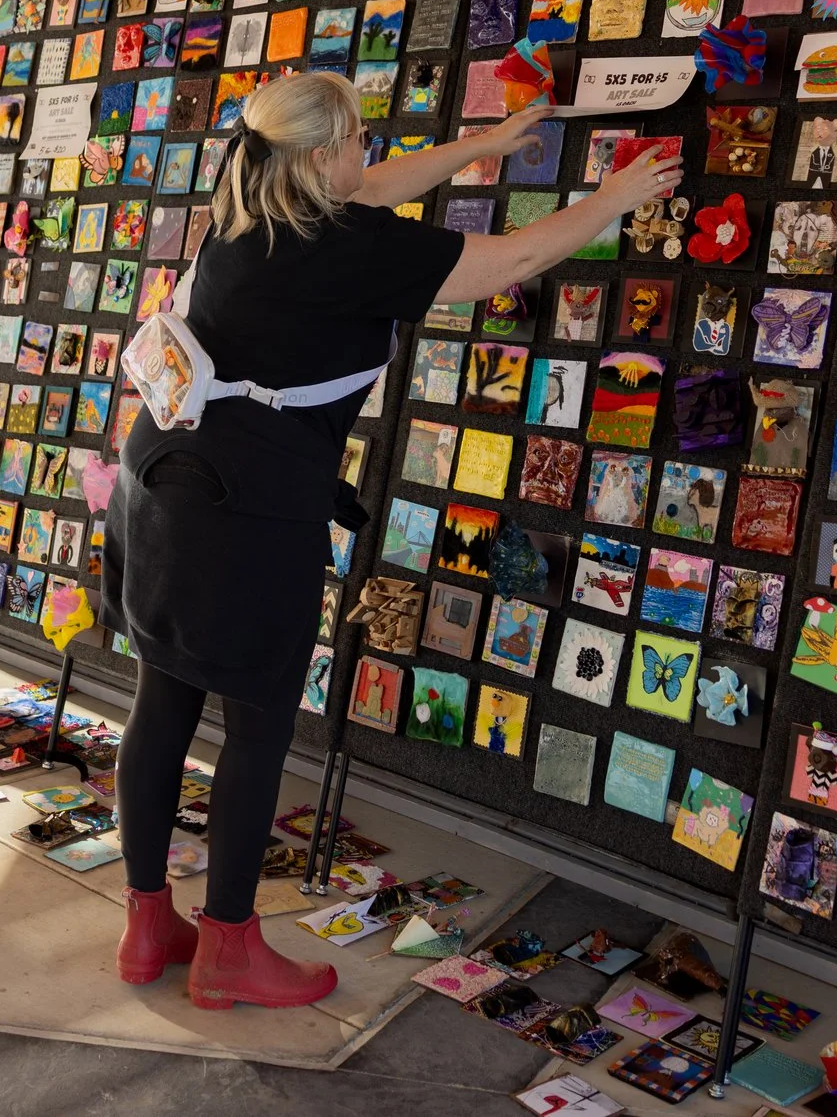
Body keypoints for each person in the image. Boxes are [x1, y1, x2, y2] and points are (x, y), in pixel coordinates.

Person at [104, 71, 681, 1010]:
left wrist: (483, 147)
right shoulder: (340, 249)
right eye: (359, 138)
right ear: (323, 153)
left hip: (163, 491)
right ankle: (229, 949)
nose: (368, 153)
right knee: (255, 728)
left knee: (162, 703)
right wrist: (610, 201)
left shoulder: (247, 202)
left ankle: (145, 925)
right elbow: (498, 266)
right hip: (249, 515)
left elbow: (373, 187)